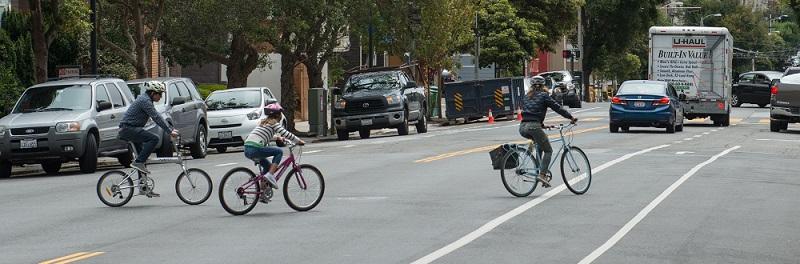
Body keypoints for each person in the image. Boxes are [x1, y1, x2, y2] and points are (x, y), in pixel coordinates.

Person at [520, 76, 578, 188]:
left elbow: (530, 112)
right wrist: (570, 117)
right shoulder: (544, 96)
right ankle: (542, 175)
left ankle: (539, 170)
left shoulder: (527, 96)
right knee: (548, 150)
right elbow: (558, 108)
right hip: (533, 127)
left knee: (540, 145)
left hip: (523, 127)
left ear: (531, 86)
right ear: (544, 85)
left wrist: (542, 125)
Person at [118, 81, 179, 182]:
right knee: (154, 139)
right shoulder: (145, 101)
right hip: (128, 129)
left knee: (142, 157)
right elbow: (156, 117)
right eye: (160, 94)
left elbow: (157, 117)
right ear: (152, 93)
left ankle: (143, 186)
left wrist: (170, 128)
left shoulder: (146, 100)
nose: (160, 97)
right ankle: (138, 163)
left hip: (132, 129)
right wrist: (169, 131)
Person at [244, 103, 305, 190]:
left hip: (247, 149)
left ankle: (262, 191)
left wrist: (278, 138)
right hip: (255, 148)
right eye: (280, 114)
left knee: (268, 167)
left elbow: (264, 135)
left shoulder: (264, 123)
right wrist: (298, 141)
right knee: (278, 152)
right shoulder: (274, 123)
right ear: (278, 115)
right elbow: (285, 133)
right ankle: (270, 176)